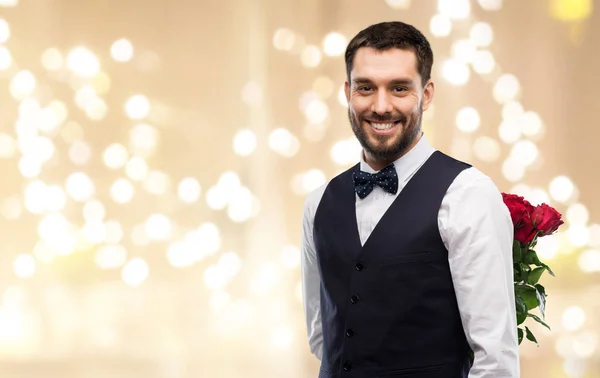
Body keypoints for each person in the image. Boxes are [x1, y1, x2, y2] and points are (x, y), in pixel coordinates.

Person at [300, 21, 520, 378]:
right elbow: (321, 338)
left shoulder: (468, 194)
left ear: (427, 94)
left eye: (399, 88)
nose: (381, 106)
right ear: (347, 92)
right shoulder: (318, 203)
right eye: (366, 88)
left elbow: (495, 360)